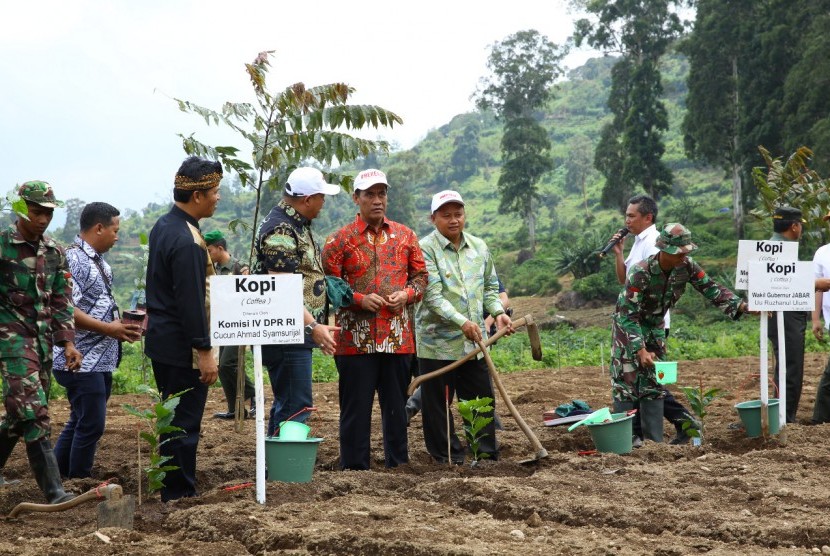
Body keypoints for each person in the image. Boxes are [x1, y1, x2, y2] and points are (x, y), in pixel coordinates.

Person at [322, 168, 427, 470]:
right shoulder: (338, 240)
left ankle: (398, 465)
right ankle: (355, 469)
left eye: (382, 193)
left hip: (397, 339)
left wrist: (407, 295)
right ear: (356, 198)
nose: (377, 200)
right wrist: (358, 299)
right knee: (356, 408)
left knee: (395, 407)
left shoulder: (406, 236)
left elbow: (421, 278)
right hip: (355, 341)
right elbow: (328, 284)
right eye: (370, 194)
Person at [611, 223, 748, 442]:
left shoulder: (687, 266)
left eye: (686, 252)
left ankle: (654, 443)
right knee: (626, 383)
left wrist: (740, 305)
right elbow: (627, 315)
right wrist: (640, 349)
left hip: (655, 328)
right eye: (678, 253)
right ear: (663, 250)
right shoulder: (640, 272)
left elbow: (710, 287)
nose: (683, 257)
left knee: (654, 382)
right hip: (628, 331)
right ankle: (626, 440)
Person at [415, 190, 513, 464]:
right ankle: (448, 458)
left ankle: (484, 454)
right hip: (437, 344)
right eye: (446, 215)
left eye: (458, 214)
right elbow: (432, 296)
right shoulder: (424, 249)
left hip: (474, 343)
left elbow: (491, 288)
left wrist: (498, 312)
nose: (453, 220)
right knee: (437, 405)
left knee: (480, 399)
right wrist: (463, 322)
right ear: (433, 218)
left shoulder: (479, 247)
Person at [145, 156, 221, 502]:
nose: (218, 198)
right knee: (184, 425)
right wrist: (204, 351)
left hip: (162, 342)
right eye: (215, 192)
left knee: (171, 420)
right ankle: (179, 494)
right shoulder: (189, 241)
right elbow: (191, 301)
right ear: (197, 196)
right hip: (182, 348)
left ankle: (170, 488)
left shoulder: (163, 226)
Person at [0, 181, 80, 503]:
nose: (43, 219)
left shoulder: (55, 252)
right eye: (37, 212)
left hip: (42, 343)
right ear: (21, 209)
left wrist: (69, 343)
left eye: (48, 213)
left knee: (20, 416)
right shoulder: (3, 246)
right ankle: (54, 492)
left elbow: (61, 299)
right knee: (34, 412)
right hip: (11, 341)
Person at [52, 202, 141, 478]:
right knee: (91, 424)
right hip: (80, 359)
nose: (117, 236)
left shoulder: (99, 262)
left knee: (80, 420)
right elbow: (66, 308)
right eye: (115, 230)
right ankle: (79, 479)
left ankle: (58, 476)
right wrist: (108, 329)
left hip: (99, 360)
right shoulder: (75, 260)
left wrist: (120, 329)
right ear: (99, 228)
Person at [254, 167, 340, 437]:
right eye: (321, 197)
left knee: (291, 402)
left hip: (294, 331)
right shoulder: (281, 229)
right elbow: (281, 288)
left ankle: (279, 468)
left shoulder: (294, 224)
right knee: (294, 405)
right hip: (287, 332)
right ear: (307, 199)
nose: (323, 203)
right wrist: (313, 324)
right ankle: (283, 471)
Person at [608, 194, 698, 445]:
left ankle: (686, 423)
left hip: (649, 325)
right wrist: (618, 253)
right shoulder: (637, 242)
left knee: (649, 382)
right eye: (626, 215)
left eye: (632, 216)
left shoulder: (654, 244)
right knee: (636, 380)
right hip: (633, 321)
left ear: (648, 217)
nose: (627, 220)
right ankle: (642, 433)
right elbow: (625, 280)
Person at [203, 229, 255, 420]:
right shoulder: (212, 269)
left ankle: (254, 394)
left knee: (227, 363)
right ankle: (235, 408)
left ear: (220, 248)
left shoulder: (240, 267)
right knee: (223, 367)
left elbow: (250, 295)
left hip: (240, 323)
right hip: (222, 323)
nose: (207, 255)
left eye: (209, 250)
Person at [766, 206, 808, 423]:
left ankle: (781, 413)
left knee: (784, 363)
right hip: (787, 314)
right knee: (790, 365)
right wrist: (816, 283)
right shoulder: (782, 250)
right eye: (800, 225)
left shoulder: (770, 247)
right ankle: (785, 416)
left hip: (779, 314)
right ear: (794, 226)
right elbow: (786, 284)